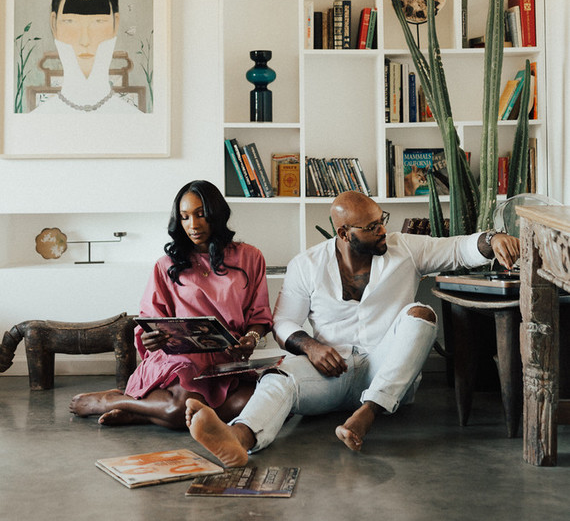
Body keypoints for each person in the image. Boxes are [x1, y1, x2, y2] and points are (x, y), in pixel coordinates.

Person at [185, 190, 520, 465]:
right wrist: (311, 347)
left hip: (386, 372)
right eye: (371, 227)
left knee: (421, 314)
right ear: (344, 233)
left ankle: (368, 412)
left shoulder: (405, 249)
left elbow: (458, 248)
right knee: (279, 376)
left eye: (381, 221)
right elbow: (284, 322)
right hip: (330, 372)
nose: (382, 231)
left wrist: (493, 239)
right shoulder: (307, 264)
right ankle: (238, 439)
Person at [69, 180, 272, 429]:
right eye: (185, 217)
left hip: (227, 363)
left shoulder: (250, 257)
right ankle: (110, 401)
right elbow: (149, 323)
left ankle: (142, 412)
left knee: (254, 405)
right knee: (184, 410)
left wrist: (250, 339)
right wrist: (149, 339)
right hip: (181, 361)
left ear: (217, 214)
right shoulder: (166, 265)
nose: (193, 225)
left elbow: (259, 316)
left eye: (201, 215)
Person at [33, 0, 139, 114]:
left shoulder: (134, 119)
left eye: (98, 22)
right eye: (70, 21)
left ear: (116, 23)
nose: (85, 40)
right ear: (53, 24)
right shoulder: (35, 122)